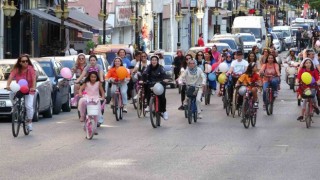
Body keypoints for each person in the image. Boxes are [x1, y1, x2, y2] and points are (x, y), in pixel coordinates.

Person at [6, 54, 36, 131]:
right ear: (20, 62)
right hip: (19, 88)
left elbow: (33, 79)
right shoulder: (16, 69)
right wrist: (8, 85)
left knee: (29, 106)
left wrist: (33, 87)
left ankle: (29, 122)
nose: (25, 62)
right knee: (11, 93)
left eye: (27, 61)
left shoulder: (31, 69)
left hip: (29, 89)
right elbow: (11, 77)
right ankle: (15, 106)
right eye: (23, 61)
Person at [142, 55, 169, 120]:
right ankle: (149, 105)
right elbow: (144, 73)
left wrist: (165, 79)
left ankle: (164, 111)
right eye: (152, 60)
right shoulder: (148, 67)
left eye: (155, 60)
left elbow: (164, 74)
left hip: (160, 84)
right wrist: (142, 80)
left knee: (162, 97)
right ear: (151, 61)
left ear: (157, 61)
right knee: (147, 90)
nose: (154, 61)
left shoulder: (161, 67)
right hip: (151, 83)